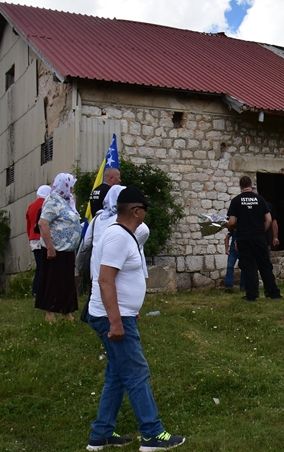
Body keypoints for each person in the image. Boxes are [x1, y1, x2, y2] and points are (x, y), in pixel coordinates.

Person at [86, 186, 185, 450]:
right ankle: (153, 434)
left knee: (117, 375)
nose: (145, 216)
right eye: (144, 211)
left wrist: (130, 309)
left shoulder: (123, 235)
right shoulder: (118, 237)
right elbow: (106, 280)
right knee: (137, 373)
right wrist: (117, 321)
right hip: (112, 318)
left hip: (120, 314)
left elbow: (120, 279)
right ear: (136, 211)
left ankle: (101, 433)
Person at [227, 176, 281, 301]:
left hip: (244, 237)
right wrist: (262, 230)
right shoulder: (260, 199)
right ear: (251, 184)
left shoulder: (236, 201)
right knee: (265, 265)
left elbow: (232, 222)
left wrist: (230, 227)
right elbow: (268, 219)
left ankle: (251, 294)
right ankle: (274, 293)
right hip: (259, 237)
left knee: (248, 266)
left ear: (240, 186)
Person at [36, 173, 81, 321]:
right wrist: (50, 247)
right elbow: (43, 223)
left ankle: (67, 311)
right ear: (63, 185)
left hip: (67, 249)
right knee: (53, 281)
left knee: (67, 281)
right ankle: (50, 314)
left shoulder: (68, 200)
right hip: (55, 249)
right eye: (71, 184)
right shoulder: (53, 199)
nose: (73, 188)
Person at [81, 185, 126, 323]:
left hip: (96, 260)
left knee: (97, 290)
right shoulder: (119, 220)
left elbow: (87, 241)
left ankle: (92, 315)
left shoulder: (97, 218)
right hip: (114, 260)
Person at [26, 185, 51, 297]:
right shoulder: (46, 204)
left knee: (39, 266)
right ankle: (41, 290)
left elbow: (29, 225)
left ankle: (36, 290)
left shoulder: (31, 206)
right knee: (46, 266)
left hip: (33, 238)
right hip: (43, 237)